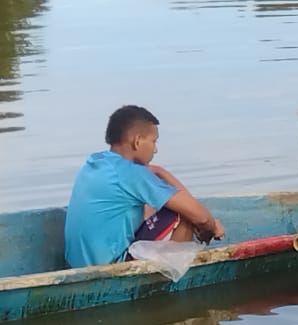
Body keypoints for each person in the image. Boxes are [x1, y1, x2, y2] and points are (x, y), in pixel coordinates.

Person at [63, 105, 225, 268]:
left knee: (154, 204)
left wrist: (159, 171)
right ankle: (170, 280)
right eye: (153, 141)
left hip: (78, 263)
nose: (155, 149)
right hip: (109, 266)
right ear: (137, 141)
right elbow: (200, 216)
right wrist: (210, 227)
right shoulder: (131, 173)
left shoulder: (97, 161)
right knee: (183, 215)